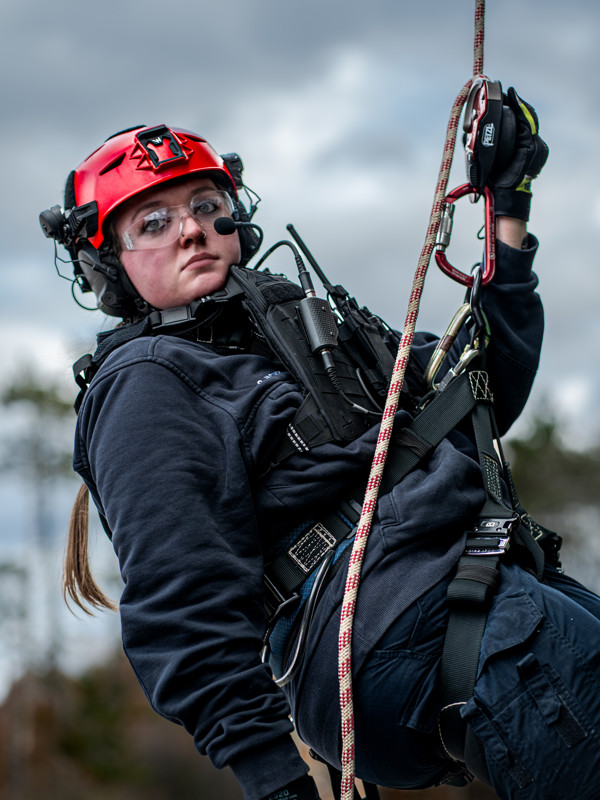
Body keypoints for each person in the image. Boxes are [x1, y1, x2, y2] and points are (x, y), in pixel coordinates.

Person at [40, 94, 600, 800]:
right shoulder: (147, 384)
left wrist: (506, 207)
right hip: (411, 629)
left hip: (495, 596)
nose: (193, 230)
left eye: (208, 205)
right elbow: (179, 606)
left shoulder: (304, 330)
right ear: (108, 267)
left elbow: (479, 398)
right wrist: (277, 781)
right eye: (153, 222)